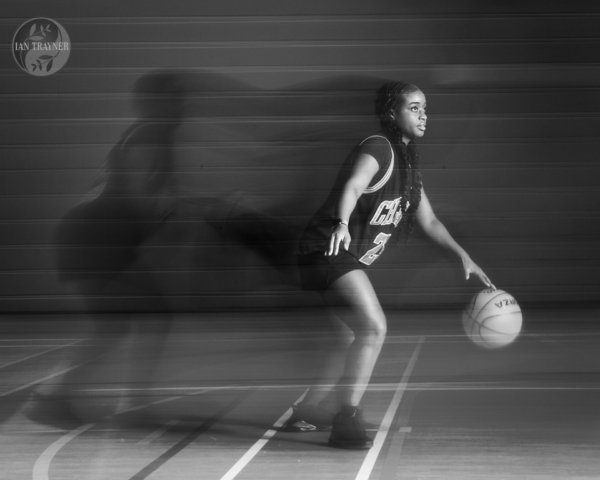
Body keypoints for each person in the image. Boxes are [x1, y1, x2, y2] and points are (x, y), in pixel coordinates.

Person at [286, 81, 494, 449]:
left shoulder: (410, 168)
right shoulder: (378, 148)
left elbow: (429, 221)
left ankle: (306, 409)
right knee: (373, 327)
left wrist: (463, 256)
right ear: (392, 113)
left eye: (425, 108)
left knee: (347, 337)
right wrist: (342, 223)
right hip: (329, 248)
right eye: (414, 107)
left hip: (336, 253)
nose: (423, 114)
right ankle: (345, 421)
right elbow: (353, 186)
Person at [24, 70, 185, 427]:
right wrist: (180, 212)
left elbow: (111, 187)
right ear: (155, 102)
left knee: (117, 326)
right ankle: (123, 403)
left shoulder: (144, 136)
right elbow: (140, 196)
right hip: (95, 239)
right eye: (175, 98)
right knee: (145, 320)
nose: (181, 106)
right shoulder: (149, 137)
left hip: (95, 236)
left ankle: (56, 398)